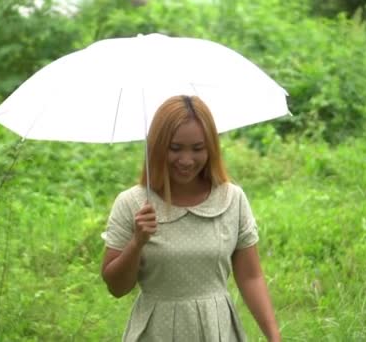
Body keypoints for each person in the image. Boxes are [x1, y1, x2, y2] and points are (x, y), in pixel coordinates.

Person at [101, 95, 280, 342]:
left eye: (198, 149)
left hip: (216, 329)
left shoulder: (231, 199)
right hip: (156, 331)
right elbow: (116, 287)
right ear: (158, 145)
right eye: (175, 148)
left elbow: (250, 277)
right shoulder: (132, 204)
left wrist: (274, 337)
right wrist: (137, 242)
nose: (186, 161)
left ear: (211, 148)